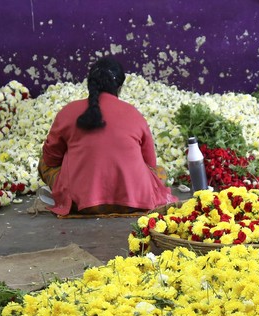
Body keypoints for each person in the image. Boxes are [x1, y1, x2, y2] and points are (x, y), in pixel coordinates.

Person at [37, 57, 176, 216]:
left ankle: (70, 195)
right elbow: (150, 164)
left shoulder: (68, 111)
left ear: (90, 83)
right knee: (160, 172)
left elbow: (50, 159)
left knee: (44, 163)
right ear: (120, 87)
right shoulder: (134, 114)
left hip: (82, 203)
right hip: (134, 201)